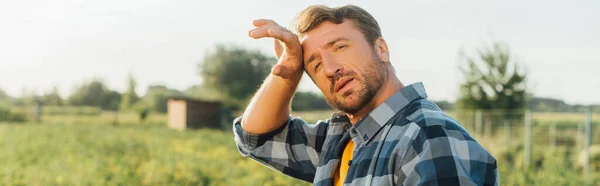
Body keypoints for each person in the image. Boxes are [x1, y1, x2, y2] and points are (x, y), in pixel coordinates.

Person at [233, 4, 499, 186]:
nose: (330, 69)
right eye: (314, 64)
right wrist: (287, 74)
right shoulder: (338, 141)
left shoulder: (428, 136)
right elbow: (255, 139)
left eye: (340, 47)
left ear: (381, 49)